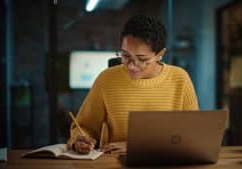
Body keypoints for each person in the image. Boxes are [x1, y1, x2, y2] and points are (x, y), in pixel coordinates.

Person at [67, 14, 199, 154]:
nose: (131, 66)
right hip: (113, 162)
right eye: (125, 55)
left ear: (160, 54)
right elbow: (84, 126)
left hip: (167, 161)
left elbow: (193, 135)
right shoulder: (106, 79)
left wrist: (136, 146)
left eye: (142, 59)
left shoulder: (180, 79)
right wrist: (79, 140)